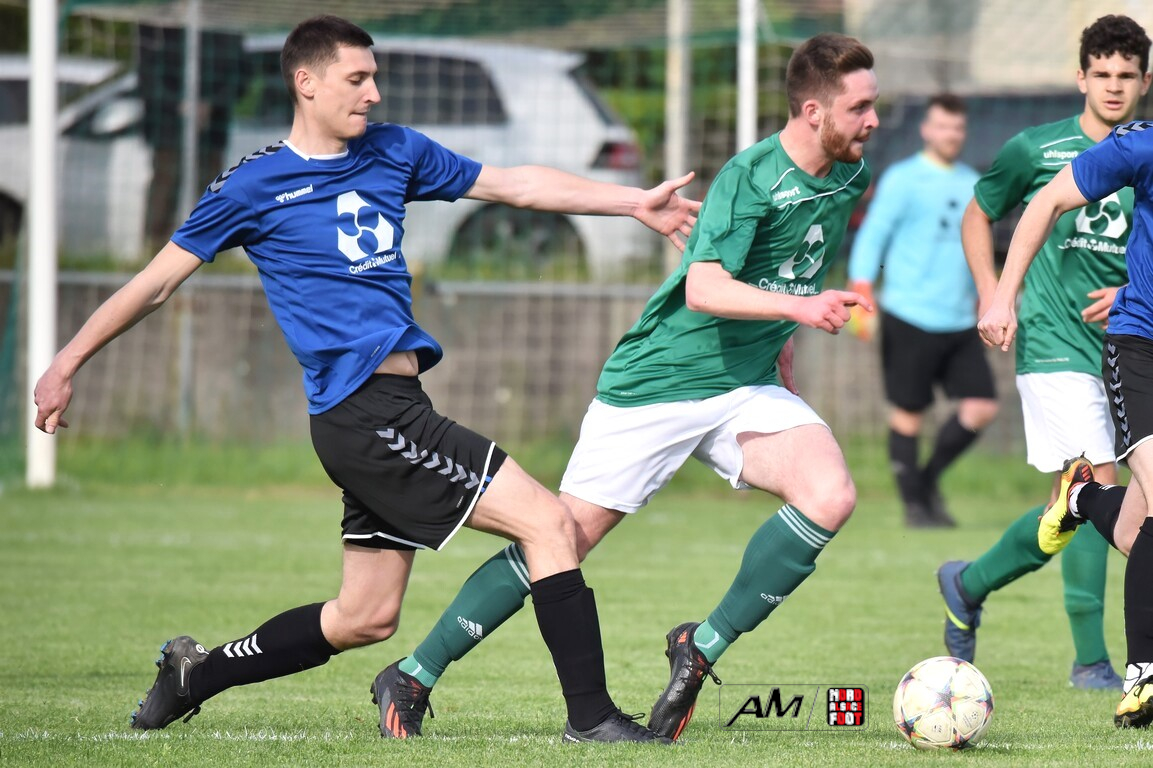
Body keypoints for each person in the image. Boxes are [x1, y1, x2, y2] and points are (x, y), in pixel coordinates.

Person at [32, 15, 701, 744]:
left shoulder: (394, 150)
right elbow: (157, 283)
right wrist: (67, 361)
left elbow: (513, 185)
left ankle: (197, 674)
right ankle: (592, 719)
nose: (373, 93)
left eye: (374, 78)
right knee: (549, 523)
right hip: (365, 416)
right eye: (357, 79)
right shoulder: (254, 185)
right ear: (306, 82)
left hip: (392, 408)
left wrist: (631, 201)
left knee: (365, 617)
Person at [369, 33, 879, 742]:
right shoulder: (750, 176)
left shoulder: (847, 174)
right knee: (560, 538)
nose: (872, 121)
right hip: (659, 383)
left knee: (830, 495)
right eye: (860, 108)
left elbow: (783, 266)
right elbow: (703, 289)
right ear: (814, 110)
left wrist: (782, 341)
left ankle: (699, 648)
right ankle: (413, 673)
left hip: (743, 385)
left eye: (874, 105)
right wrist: (799, 310)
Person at [936, 14, 1151, 694]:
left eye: (1126, 75)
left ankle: (968, 582)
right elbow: (980, 212)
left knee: (1100, 502)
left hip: (1130, 343)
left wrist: (1129, 290)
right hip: (1054, 342)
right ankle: (1091, 662)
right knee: (1097, 482)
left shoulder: (1142, 150)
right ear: (1080, 77)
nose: (1113, 87)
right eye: (1102, 74)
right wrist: (993, 295)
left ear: (1145, 81)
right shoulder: (1036, 148)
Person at [980, 111, 1153, 727]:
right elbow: (1047, 200)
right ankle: (1142, 677)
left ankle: (1082, 499)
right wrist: (1002, 295)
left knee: (1136, 536)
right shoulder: (1141, 146)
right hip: (1138, 348)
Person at [847, 93, 997, 528]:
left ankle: (925, 482)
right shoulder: (903, 179)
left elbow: (980, 246)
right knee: (909, 411)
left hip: (960, 319)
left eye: (957, 127)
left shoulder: (973, 183)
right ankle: (915, 507)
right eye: (942, 126)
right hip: (908, 313)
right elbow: (874, 235)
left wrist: (985, 295)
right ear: (926, 130)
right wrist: (861, 287)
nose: (951, 134)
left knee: (982, 405)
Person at [138, 24, 246, 254]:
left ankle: (210, 253)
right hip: (168, 128)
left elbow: (240, 76)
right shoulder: (160, 28)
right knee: (166, 185)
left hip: (212, 129)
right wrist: (180, 105)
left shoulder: (225, 30)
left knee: (211, 191)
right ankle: (154, 252)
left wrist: (210, 105)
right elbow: (148, 76)